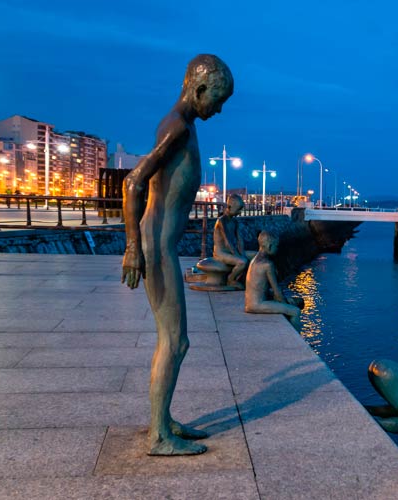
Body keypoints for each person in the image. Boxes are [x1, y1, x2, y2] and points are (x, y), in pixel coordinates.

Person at [121, 54, 233, 456]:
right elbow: (133, 182)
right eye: (218, 99)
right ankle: (158, 436)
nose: (219, 110)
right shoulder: (178, 128)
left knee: (175, 340)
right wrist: (133, 248)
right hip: (156, 247)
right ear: (199, 90)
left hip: (160, 245)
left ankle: (163, 420)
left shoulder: (181, 124)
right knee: (175, 341)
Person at [244, 231, 302, 329]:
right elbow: (277, 292)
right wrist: (286, 304)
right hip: (257, 305)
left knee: (289, 303)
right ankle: (296, 338)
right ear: (270, 246)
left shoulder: (254, 259)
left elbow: (260, 288)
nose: (277, 249)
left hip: (250, 302)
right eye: (276, 246)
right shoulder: (268, 265)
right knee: (296, 311)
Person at [213, 193, 248, 288]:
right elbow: (227, 241)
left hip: (231, 251)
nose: (239, 212)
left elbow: (239, 240)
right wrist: (237, 255)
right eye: (238, 210)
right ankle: (231, 279)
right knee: (242, 262)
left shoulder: (235, 222)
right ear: (229, 207)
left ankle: (245, 280)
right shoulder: (221, 221)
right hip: (221, 252)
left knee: (254, 256)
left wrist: (242, 253)